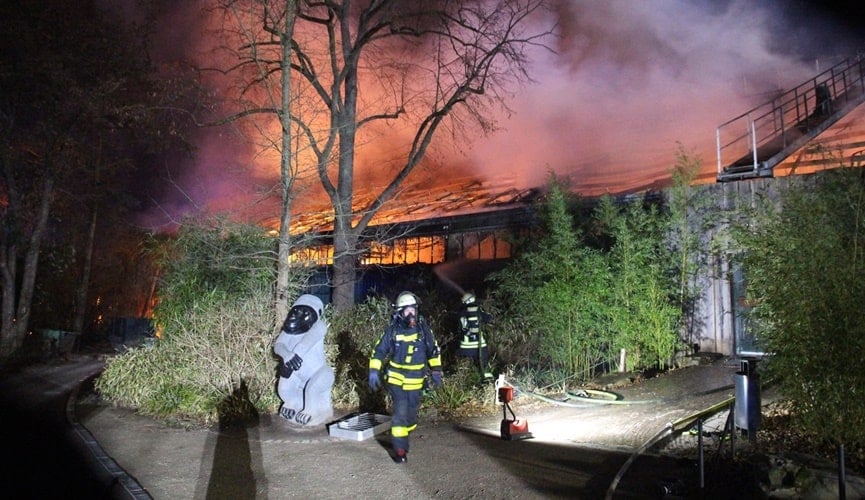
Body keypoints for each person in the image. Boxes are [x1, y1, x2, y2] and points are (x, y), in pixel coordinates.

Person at [368, 291, 442, 463]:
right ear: (399, 313)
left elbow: (433, 351)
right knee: (400, 413)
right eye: (406, 311)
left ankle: (403, 433)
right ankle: (400, 450)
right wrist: (373, 371)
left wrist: (436, 371)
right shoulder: (392, 331)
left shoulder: (424, 331)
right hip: (396, 380)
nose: (411, 314)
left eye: (413, 310)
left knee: (410, 416)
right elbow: (378, 352)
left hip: (416, 381)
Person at [274, 294, 335, 426]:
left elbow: (305, 344)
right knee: (284, 390)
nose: (297, 315)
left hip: (319, 374)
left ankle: (312, 410)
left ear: (316, 314)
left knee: (311, 390)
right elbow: (278, 346)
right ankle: (293, 404)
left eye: (304, 312)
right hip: (296, 372)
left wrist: (291, 359)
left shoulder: (319, 326)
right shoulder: (288, 331)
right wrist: (286, 356)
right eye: (295, 310)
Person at [457, 292, 494, 380]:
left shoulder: (461, 312)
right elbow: (489, 318)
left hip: (465, 347)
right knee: (483, 365)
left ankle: (464, 382)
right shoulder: (478, 310)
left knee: (464, 368)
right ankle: (487, 381)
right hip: (480, 345)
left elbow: (460, 327)